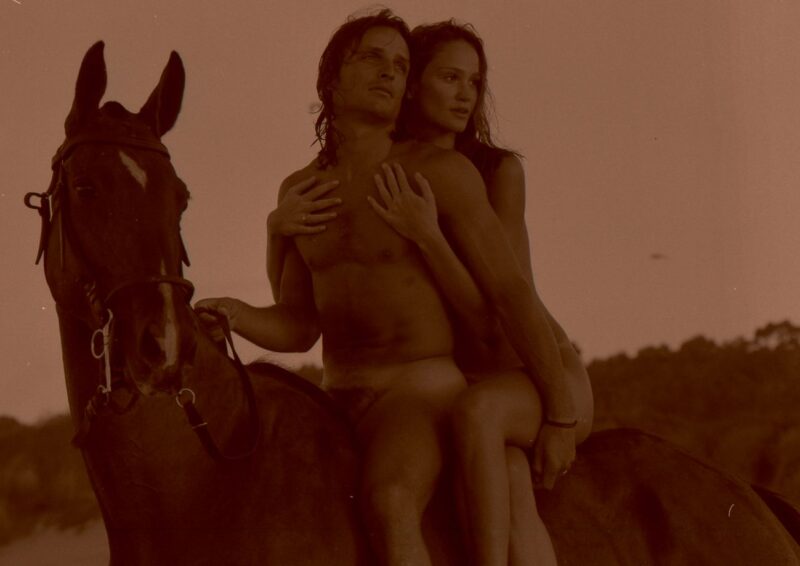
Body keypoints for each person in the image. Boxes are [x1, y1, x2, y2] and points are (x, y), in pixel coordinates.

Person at [197, 10, 577, 566]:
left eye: (400, 66)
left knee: (390, 500)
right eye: (373, 58)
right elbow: (298, 326)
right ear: (331, 80)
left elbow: (510, 293)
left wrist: (561, 414)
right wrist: (233, 312)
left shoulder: (438, 172)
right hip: (336, 396)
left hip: (418, 394)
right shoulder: (301, 190)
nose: (389, 73)